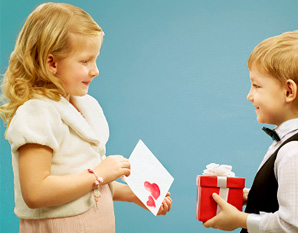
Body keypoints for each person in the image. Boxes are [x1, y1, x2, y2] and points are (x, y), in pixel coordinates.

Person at [0, 3, 172, 233]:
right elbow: (35, 192)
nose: (95, 70)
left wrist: (131, 194)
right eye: (85, 61)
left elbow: (84, 183)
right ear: (51, 63)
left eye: (95, 59)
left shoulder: (83, 107)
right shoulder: (37, 113)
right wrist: (99, 173)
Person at [203, 30, 298, 232]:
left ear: (289, 92)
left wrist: (241, 220)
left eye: (256, 85)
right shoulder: (287, 144)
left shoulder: (296, 152)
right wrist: (248, 197)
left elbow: (297, 226)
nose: (249, 95)